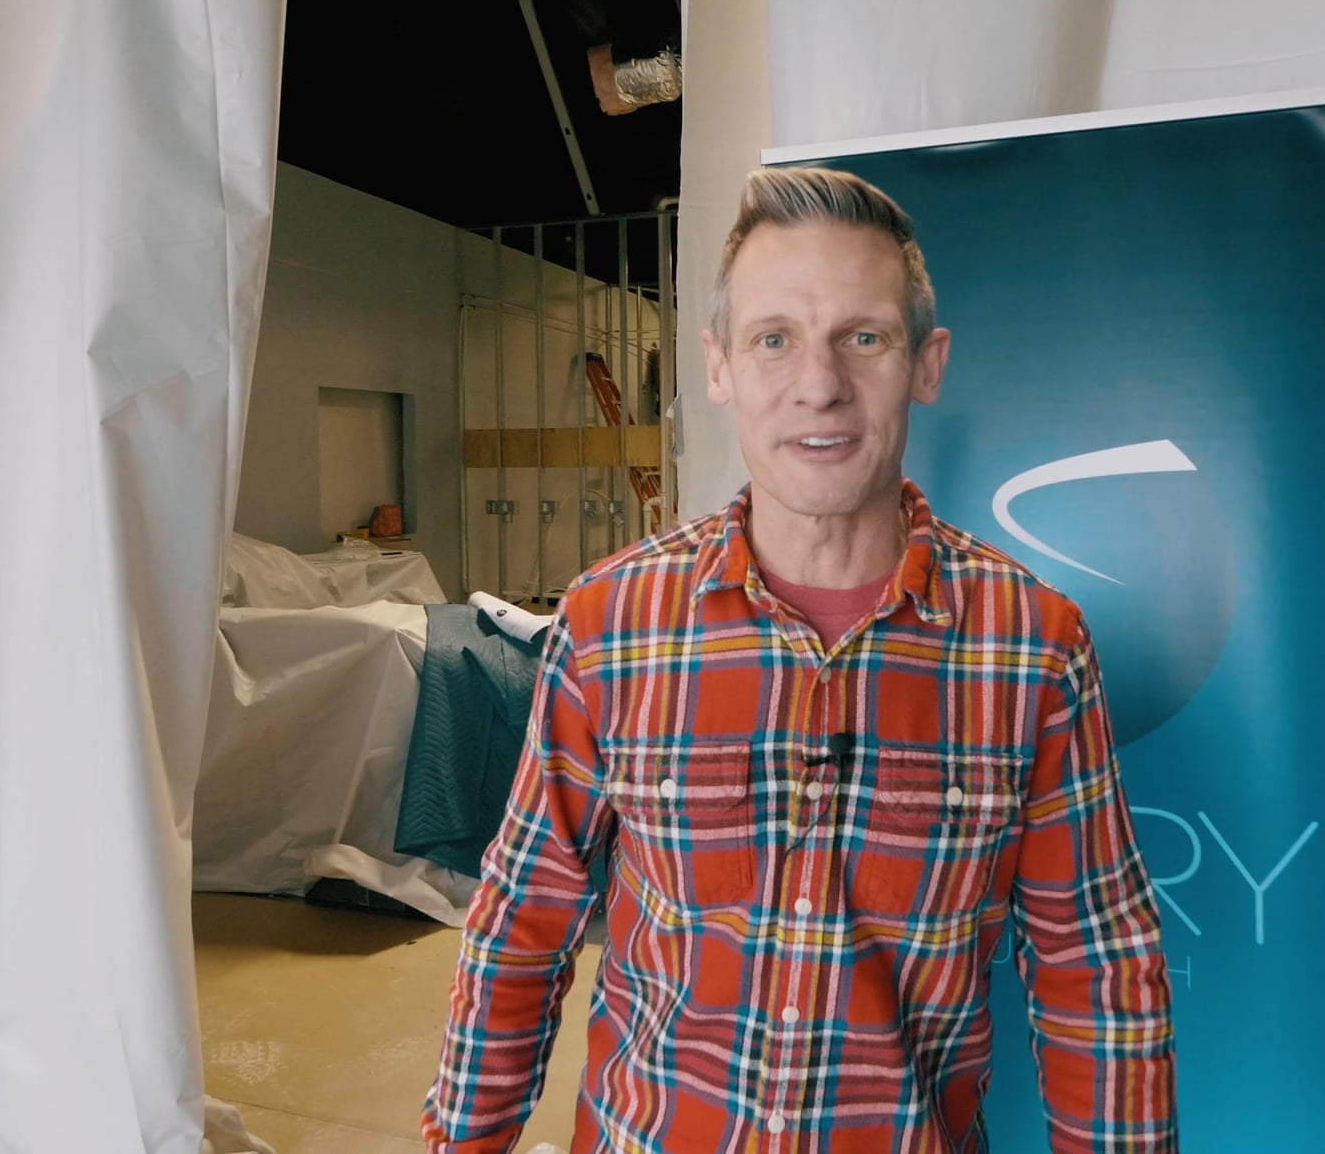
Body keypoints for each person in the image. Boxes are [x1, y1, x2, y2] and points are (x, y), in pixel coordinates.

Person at [424, 167, 1177, 1151]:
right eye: (774, 339)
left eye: (863, 338)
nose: (818, 385)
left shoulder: (1030, 647)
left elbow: (1097, 971)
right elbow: (521, 921)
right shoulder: (613, 623)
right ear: (720, 366)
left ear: (927, 364)